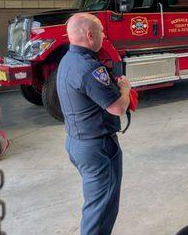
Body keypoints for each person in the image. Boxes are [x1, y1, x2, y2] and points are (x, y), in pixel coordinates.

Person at [57, 13, 131, 235]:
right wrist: (125, 90)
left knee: (96, 205)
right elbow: (117, 108)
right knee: (100, 213)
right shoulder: (90, 68)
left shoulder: (68, 60)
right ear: (90, 35)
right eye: (101, 31)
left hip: (77, 143)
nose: (104, 35)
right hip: (97, 148)